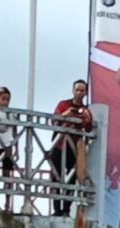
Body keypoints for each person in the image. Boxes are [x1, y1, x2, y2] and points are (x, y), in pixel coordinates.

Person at [51, 79, 93, 216]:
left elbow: (88, 130)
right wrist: (67, 114)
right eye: (77, 90)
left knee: (71, 178)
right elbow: (54, 120)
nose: (79, 93)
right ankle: (56, 209)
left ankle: (66, 209)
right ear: (73, 91)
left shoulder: (86, 110)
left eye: (82, 90)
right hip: (59, 145)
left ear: (86, 92)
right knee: (56, 177)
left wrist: (87, 119)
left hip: (74, 149)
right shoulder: (63, 104)